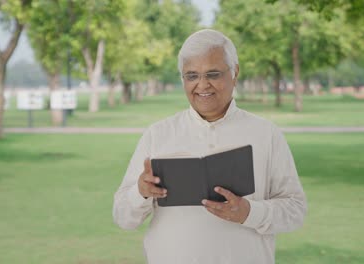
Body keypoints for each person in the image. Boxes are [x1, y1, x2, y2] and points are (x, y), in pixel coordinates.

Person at [113, 29, 307, 264]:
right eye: (191, 76)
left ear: (235, 72)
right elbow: (123, 218)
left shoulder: (266, 134)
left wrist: (249, 212)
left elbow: (295, 210)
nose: (202, 85)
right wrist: (141, 192)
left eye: (213, 74)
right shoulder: (158, 134)